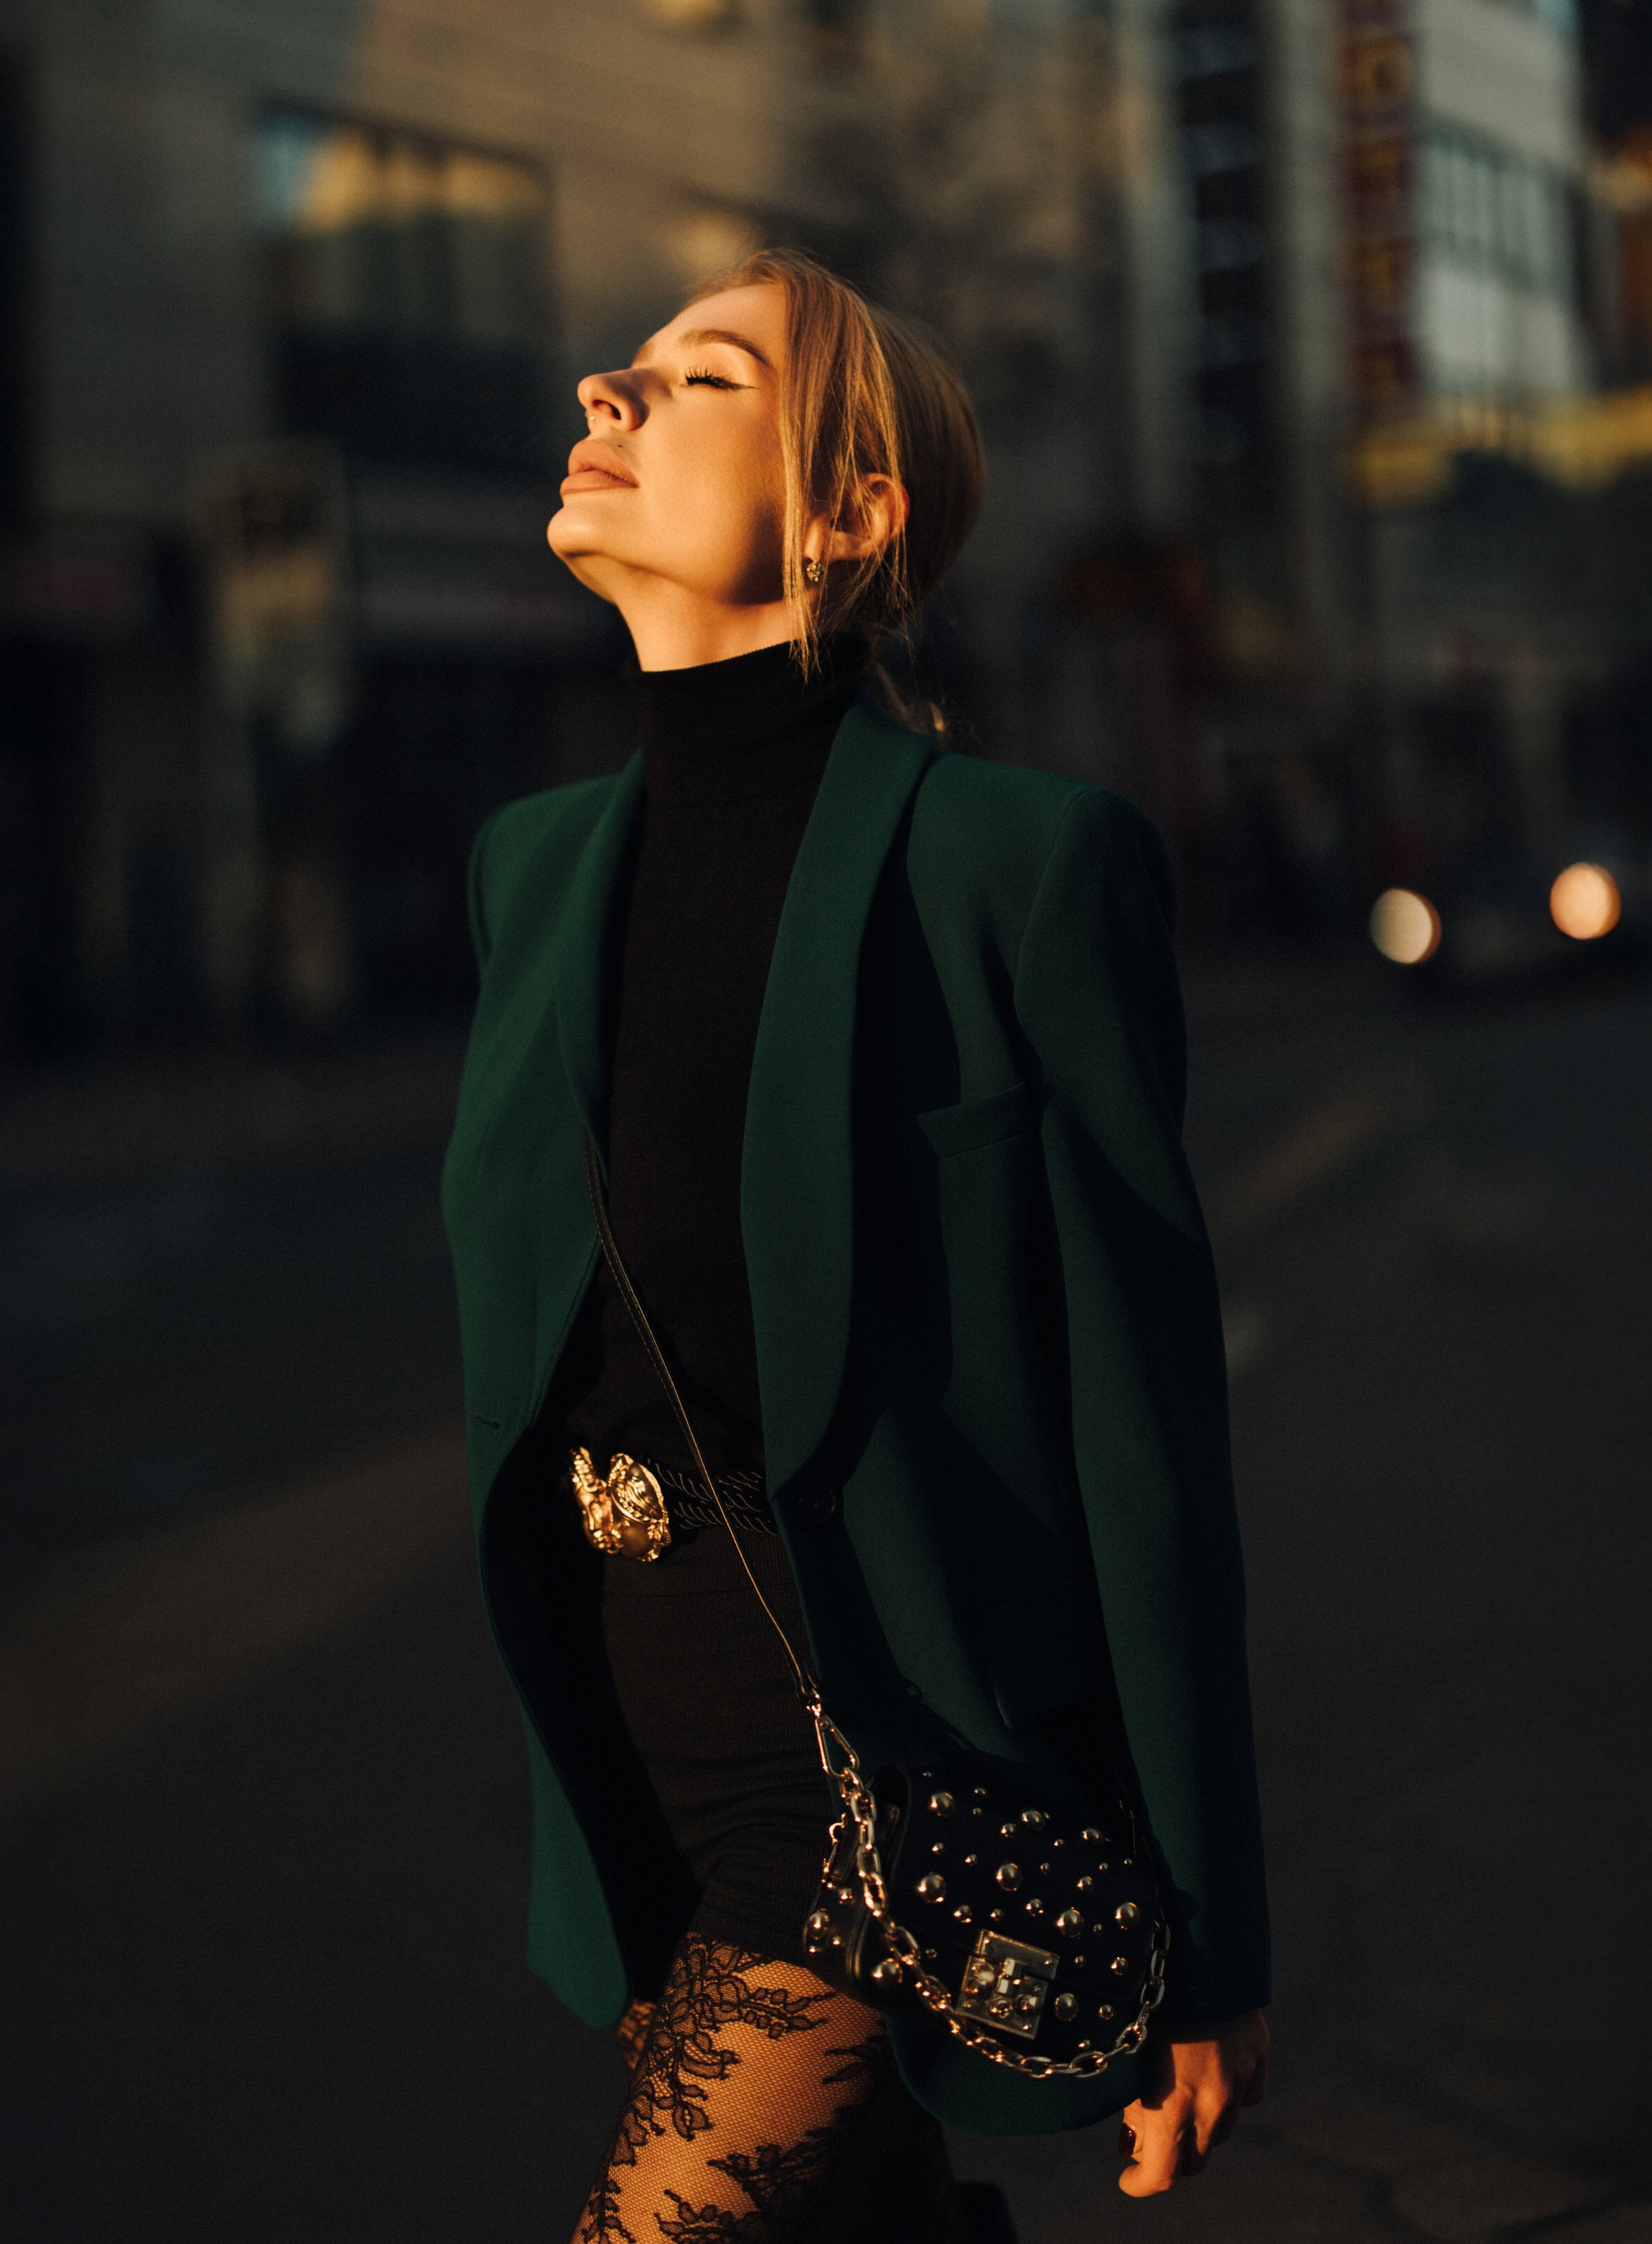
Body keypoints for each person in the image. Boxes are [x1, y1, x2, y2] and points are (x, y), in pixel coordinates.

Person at [442, 250, 1270, 2243]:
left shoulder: (1022, 867)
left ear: (848, 512)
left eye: (697, 380)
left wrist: (1205, 1939)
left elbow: (1140, 1434)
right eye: (622, 369)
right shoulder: (530, 874)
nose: (608, 397)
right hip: (642, 1750)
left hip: (878, 1751)